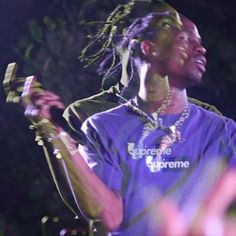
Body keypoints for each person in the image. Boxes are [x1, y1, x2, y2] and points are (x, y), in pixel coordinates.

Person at [22, 1, 236, 235]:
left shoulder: (218, 128)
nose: (200, 49)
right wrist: (49, 130)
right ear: (146, 46)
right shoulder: (96, 121)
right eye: (183, 37)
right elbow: (104, 214)